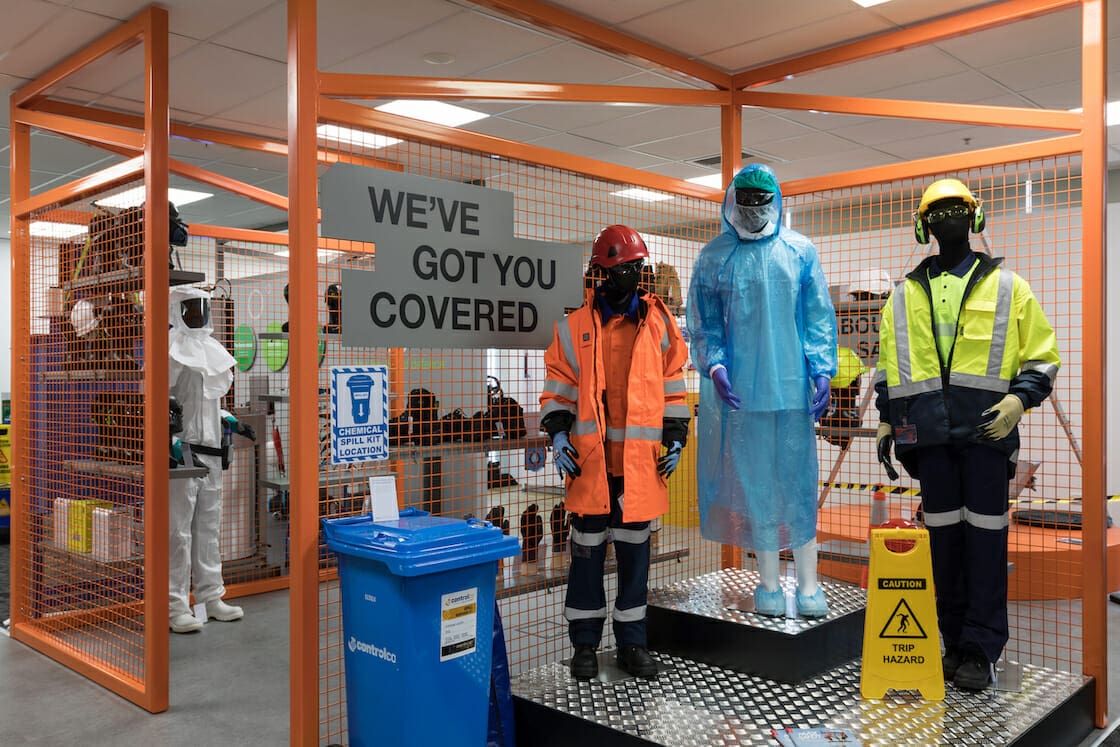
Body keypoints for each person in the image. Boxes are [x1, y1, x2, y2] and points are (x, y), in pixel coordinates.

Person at [875, 178, 1060, 691]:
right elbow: (890, 366)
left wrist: (1018, 399)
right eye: (938, 211)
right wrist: (889, 416)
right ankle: (951, 640)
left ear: (976, 218)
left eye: (959, 209)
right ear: (923, 226)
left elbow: (1043, 355)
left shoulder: (1009, 286)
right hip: (930, 441)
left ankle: (980, 647)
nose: (949, 218)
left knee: (984, 544)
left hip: (984, 436)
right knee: (944, 545)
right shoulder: (904, 294)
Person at [687, 163, 838, 619]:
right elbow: (705, 324)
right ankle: (769, 586)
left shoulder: (799, 251)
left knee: (797, 488)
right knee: (757, 492)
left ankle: (810, 586)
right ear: (732, 200)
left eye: (761, 199)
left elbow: (817, 317)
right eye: (746, 199)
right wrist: (714, 365)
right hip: (742, 398)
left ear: (775, 201)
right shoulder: (714, 258)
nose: (753, 209)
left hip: (792, 394)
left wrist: (822, 369)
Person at [540, 224, 691, 680]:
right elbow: (558, 390)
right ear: (602, 271)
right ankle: (584, 645)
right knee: (586, 559)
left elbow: (674, 387)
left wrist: (677, 436)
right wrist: (559, 435)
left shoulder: (659, 323)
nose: (635, 274)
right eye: (627, 267)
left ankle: (632, 644)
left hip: (639, 469)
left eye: (638, 266)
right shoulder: (573, 328)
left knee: (635, 559)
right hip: (591, 467)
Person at [168, 286, 256, 634]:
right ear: (176, 309)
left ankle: (211, 597)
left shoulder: (210, 349)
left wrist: (228, 419)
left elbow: (208, 402)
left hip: (212, 451)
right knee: (178, 533)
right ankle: (175, 605)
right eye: (190, 307)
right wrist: (168, 441)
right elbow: (161, 400)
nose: (197, 313)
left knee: (209, 530)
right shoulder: (171, 351)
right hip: (183, 451)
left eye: (202, 307)